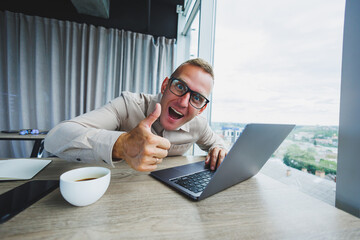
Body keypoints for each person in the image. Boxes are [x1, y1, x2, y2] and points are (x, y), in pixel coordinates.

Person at [45, 58, 228, 171]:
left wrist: (218, 150)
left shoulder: (199, 125)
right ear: (165, 86)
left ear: (201, 109)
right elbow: (55, 137)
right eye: (179, 87)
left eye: (196, 98)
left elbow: (217, 144)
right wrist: (122, 145)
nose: (182, 102)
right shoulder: (128, 105)